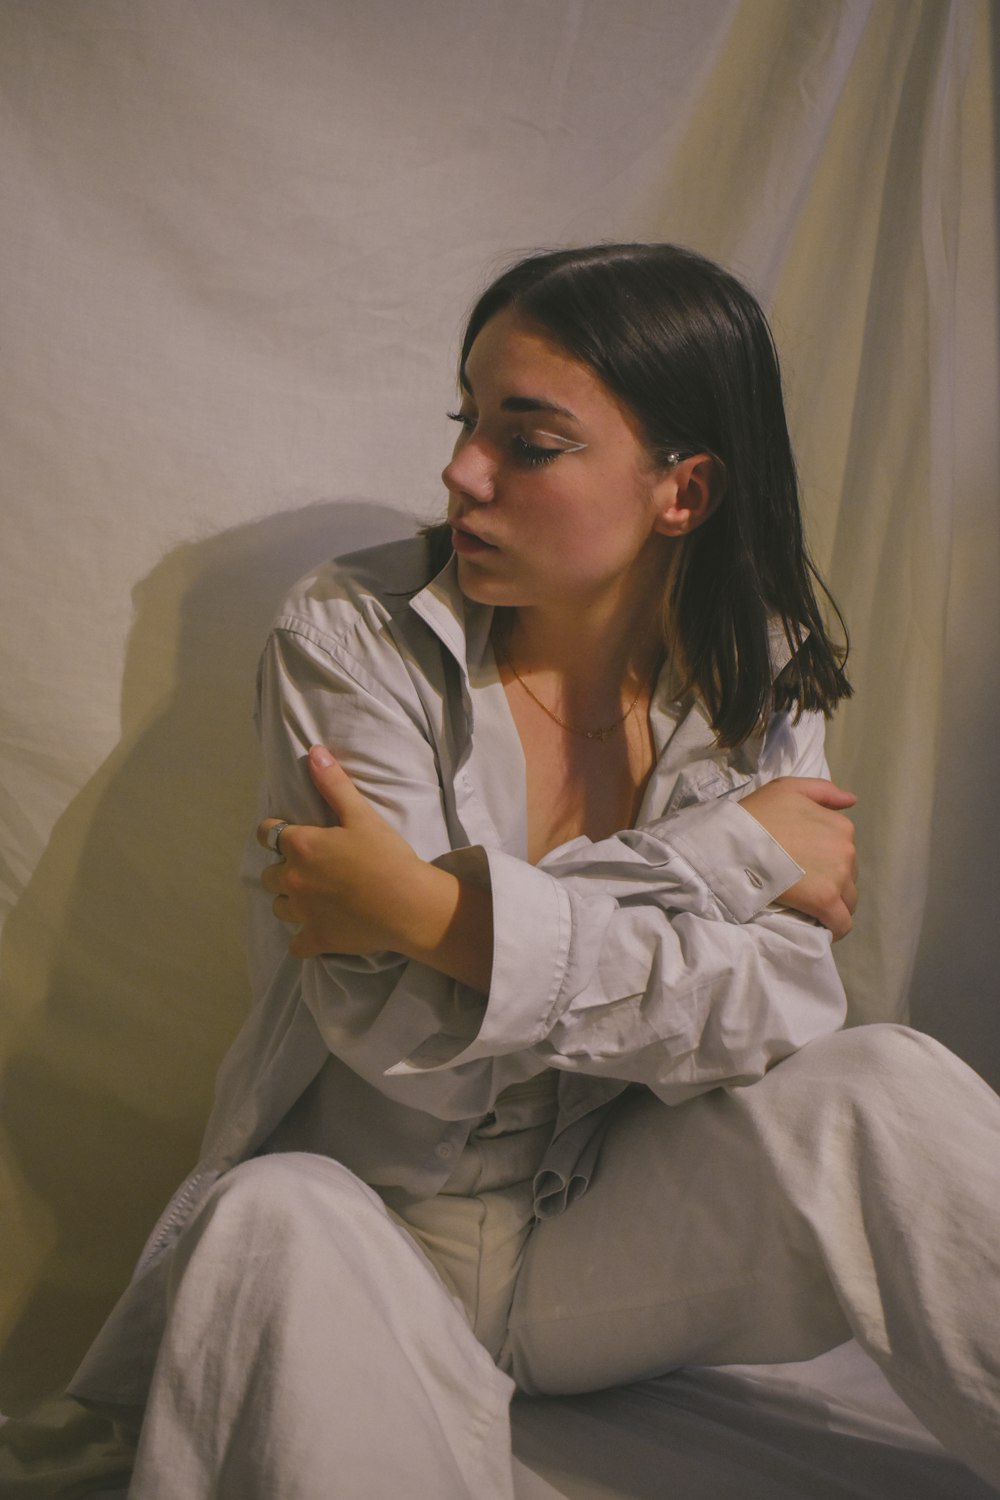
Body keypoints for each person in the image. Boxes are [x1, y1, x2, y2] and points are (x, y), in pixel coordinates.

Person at [47, 245, 1000, 1495]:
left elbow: (772, 1010)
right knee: (266, 1215)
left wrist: (440, 912)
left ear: (683, 492)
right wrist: (728, 849)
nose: (460, 471)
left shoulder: (756, 675)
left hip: (611, 1250)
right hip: (377, 1243)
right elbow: (396, 1028)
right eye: (465, 418)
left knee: (888, 1079)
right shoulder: (348, 639)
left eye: (529, 441)